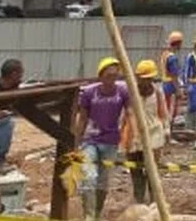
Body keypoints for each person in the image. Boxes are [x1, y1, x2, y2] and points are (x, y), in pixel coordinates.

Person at [74, 57, 131, 221]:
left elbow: (130, 114)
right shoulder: (89, 93)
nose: (112, 79)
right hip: (90, 140)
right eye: (108, 75)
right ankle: (89, 215)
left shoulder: (122, 92)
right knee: (89, 177)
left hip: (111, 141)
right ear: (101, 76)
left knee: (103, 182)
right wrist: (76, 143)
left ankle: (97, 213)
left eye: (115, 75)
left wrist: (129, 136)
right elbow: (82, 119)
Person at [120, 60, 170, 205]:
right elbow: (124, 114)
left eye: (149, 78)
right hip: (133, 135)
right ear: (137, 77)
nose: (147, 82)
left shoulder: (157, 92)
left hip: (153, 133)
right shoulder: (130, 93)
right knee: (135, 170)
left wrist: (166, 129)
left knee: (152, 171)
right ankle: (139, 200)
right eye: (144, 78)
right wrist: (121, 132)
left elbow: (163, 112)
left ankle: (155, 201)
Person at [159, 31, 184, 131]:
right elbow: (174, 76)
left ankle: (165, 130)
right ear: (178, 43)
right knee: (171, 111)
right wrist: (178, 90)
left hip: (164, 85)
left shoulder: (165, 55)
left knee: (166, 109)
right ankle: (168, 132)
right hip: (171, 86)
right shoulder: (172, 58)